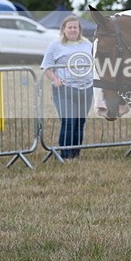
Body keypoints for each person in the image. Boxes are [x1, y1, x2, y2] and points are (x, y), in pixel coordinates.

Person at [41, 15, 94, 160]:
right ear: (63, 29)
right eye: (69, 27)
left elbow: (96, 62)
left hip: (86, 89)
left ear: (79, 29)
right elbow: (46, 66)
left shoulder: (88, 44)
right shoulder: (55, 46)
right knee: (69, 121)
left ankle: (75, 154)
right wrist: (55, 79)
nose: (72, 30)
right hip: (65, 89)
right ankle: (65, 155)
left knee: (80, 122)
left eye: (75, 27)